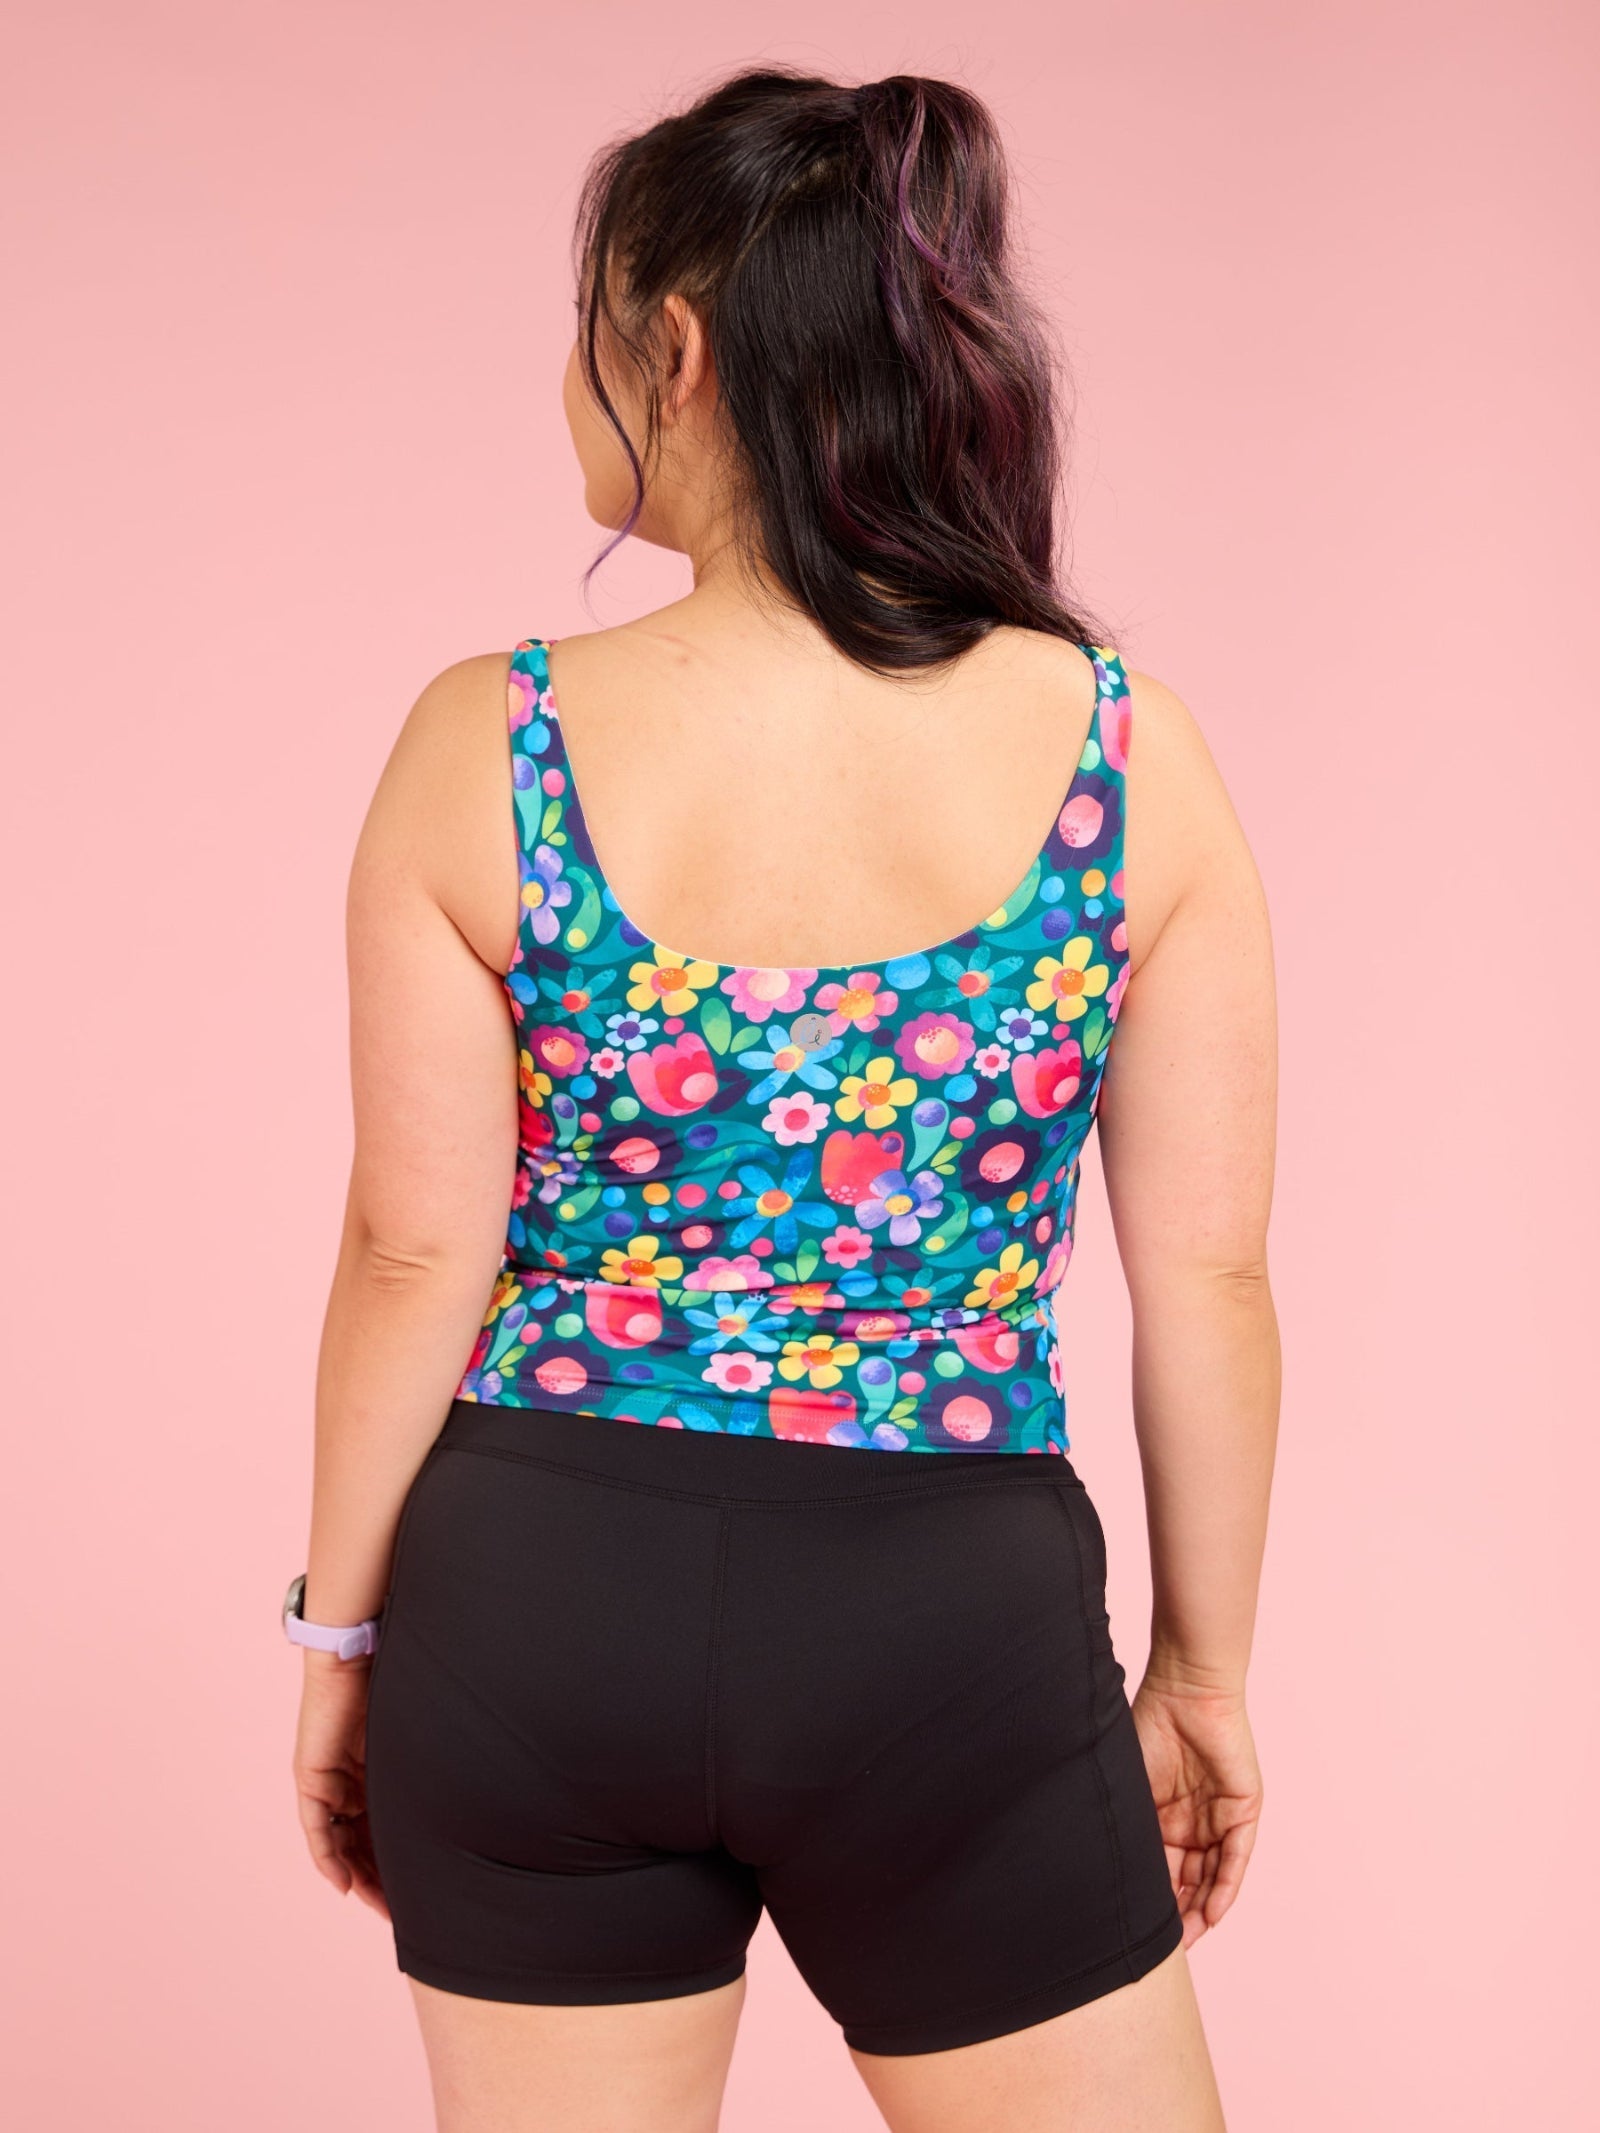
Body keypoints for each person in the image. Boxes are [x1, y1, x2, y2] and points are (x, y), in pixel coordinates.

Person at [287, 64, 1279, 2133]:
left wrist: (342, 1637)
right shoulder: (1122, 753)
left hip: (537, 1594)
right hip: (949, 1616)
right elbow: (1205, 1279)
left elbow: (408, 1248)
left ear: (669, 343)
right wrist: (1198, 1669)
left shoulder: (489, 739)